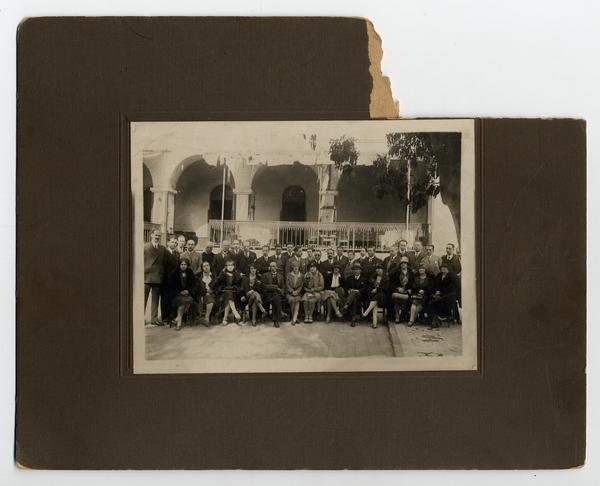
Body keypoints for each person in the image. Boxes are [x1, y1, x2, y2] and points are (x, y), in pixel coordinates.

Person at [165, 257, 197, 331]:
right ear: (179, 265)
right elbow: (170, 286)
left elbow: (193, 285)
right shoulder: (174, 273)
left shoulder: (190, 272)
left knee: (189, 300)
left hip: (187, 294)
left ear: (187, 265)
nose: (183, 266)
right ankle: (179, 323)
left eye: (185, 264)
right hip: (176, 294)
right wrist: (179, 291)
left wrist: (188, 291)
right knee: (182, 302)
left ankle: (177, 319)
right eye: (181, 264)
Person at [144, 230, 168, 327]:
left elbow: (167, 262)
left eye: (159, 235)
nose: (157, 237)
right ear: (151, 235)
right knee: (143, 299)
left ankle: (154, 320)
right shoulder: (145, 247)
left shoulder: (162, 248)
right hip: (146, 277)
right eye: (156, 235)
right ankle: (141, 319)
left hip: (158, 277)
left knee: (155, 300)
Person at [429, 262, 459, 328]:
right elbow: (435, 284)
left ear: (447, 269)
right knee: (431, 299)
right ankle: (434, 319)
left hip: (449, 294)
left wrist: (441, 292)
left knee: (440, 301)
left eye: (444, 268)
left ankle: (441, 317)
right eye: (441, 268)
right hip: (439, 293)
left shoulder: (452, 276)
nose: (443, 269)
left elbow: (452, 287)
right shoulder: (439, 275)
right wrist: (436, 291)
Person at [214, 259, 242, 325]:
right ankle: (235, 312)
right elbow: (218, 284)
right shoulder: (223, 274)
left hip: (234, 294)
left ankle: (225, 318)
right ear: (226, 266)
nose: (230, 267)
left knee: (229, 296)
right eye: (228, 265)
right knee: (228, 295)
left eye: (232, 265)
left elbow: (239, 285)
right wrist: (222, 288)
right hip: (223, 293)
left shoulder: (236, 274)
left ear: (234, 266)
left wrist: (234, 288)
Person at [362, 263, 389, 328]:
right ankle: (374, 323)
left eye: (379, 269)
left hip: (383, 297)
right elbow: (369, 287)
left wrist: (377, 290)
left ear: (382, 270)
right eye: (377, 269)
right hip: (373, 297)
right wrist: (372, 290)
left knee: (378, 296)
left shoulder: (386, 277)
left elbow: (386, 288)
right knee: (374, 304)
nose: (378, 270)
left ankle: (367, 312)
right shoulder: (373, 277)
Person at [160, 236, 180, 325]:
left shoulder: (177, 254)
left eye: (175, 242)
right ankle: (165, 317)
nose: (174, 244)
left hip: (174, 281)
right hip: (165, 280)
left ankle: (172, 317)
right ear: (168, 242)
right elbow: (162, 267)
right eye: (172, 242)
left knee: (173, 299)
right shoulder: (164, 252)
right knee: (165, 299)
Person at [390, 256, 414, 323]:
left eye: (405, 263)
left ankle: (402, 315)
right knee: (396, 300)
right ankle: (397, 316)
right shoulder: (396, 273)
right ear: (400, 265)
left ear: (407, 264)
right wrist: (398, 288)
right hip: (398, 291)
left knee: (405, 301)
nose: (403, 265)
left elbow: (413, 284)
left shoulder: (411, 273)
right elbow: (392, 284)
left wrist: (409, 289)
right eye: (402, 263)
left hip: (406, 291)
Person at [262, 261, 285, 327]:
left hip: (277, 294)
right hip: (268, 294)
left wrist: (281, 291)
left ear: (276, 267)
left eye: (274, 266)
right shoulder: (265, 275)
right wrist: (276, 287)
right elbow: (265, 286)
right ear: (269, 267)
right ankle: (278, 317)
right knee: (276, 298)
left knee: (276, 297)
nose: (273, 268)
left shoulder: (280, 276)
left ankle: (276, 319)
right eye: (271, 266)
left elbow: (283, 286)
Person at [286, 259, 305, 325]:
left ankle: (294, 319)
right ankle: (295, 317)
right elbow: (287, 285)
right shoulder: (288, 275)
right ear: (292, 267)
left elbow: (301, 286)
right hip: (290, 293)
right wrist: (292, 291)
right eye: (294, 267)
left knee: (297, 300)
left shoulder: (301, 276)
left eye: (297, 266)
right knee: (291, 299)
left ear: (299, 267)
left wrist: (297, 292)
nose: (295, 268)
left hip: (298, 293)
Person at [197, 260, 215, 326]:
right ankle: (206, 318)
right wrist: (205, 292)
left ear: (210, 266)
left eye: (207, 265)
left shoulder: (213, 275)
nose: (206, 267)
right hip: (202, 294)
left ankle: (206, 318)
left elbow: (216, 285)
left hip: (212, 294)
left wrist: (211, 290)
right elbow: (197, 288)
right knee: (209, 299)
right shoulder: (198, 276)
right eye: (204, 266)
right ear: (202, 268)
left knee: (211, 299)